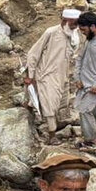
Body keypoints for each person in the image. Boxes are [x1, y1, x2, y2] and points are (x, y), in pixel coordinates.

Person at [27, 9, 82, 141]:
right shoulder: (51, 32)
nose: (75, 25)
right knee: (50, 104)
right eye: (73, 23)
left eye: (76, 23)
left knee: (57, 102)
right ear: (64, 20)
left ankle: (29, 107)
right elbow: (33, 53)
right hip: (47, 73)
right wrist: (30, 75)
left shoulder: (75, 34)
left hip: (63, 75)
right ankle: (52, 136)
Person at [75, 11, 96, 149]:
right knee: (87, 111)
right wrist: (77, 77)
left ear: (93, 26)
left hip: (95, 85)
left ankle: (92, 142)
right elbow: (79, 58)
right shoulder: (88, 39)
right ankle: (90, 139)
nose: (82, 32)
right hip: (83, 84)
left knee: (85, 111)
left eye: (83, 29)